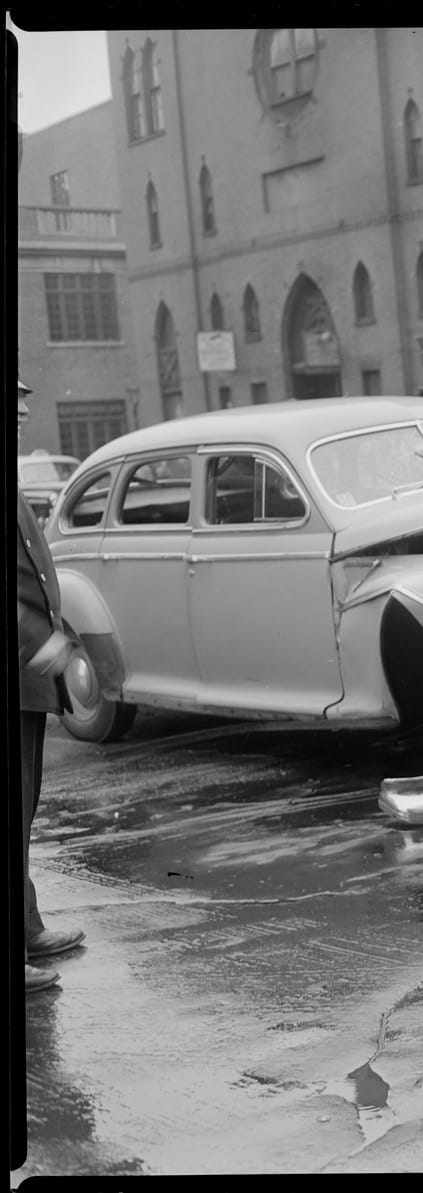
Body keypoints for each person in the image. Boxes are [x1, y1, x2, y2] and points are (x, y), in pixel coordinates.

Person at [15, 380, 90, 994]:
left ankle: (27, 927)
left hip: (26, 678)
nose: (22, 414)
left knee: (24, 808)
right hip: (21, 664)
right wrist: (34, 639)